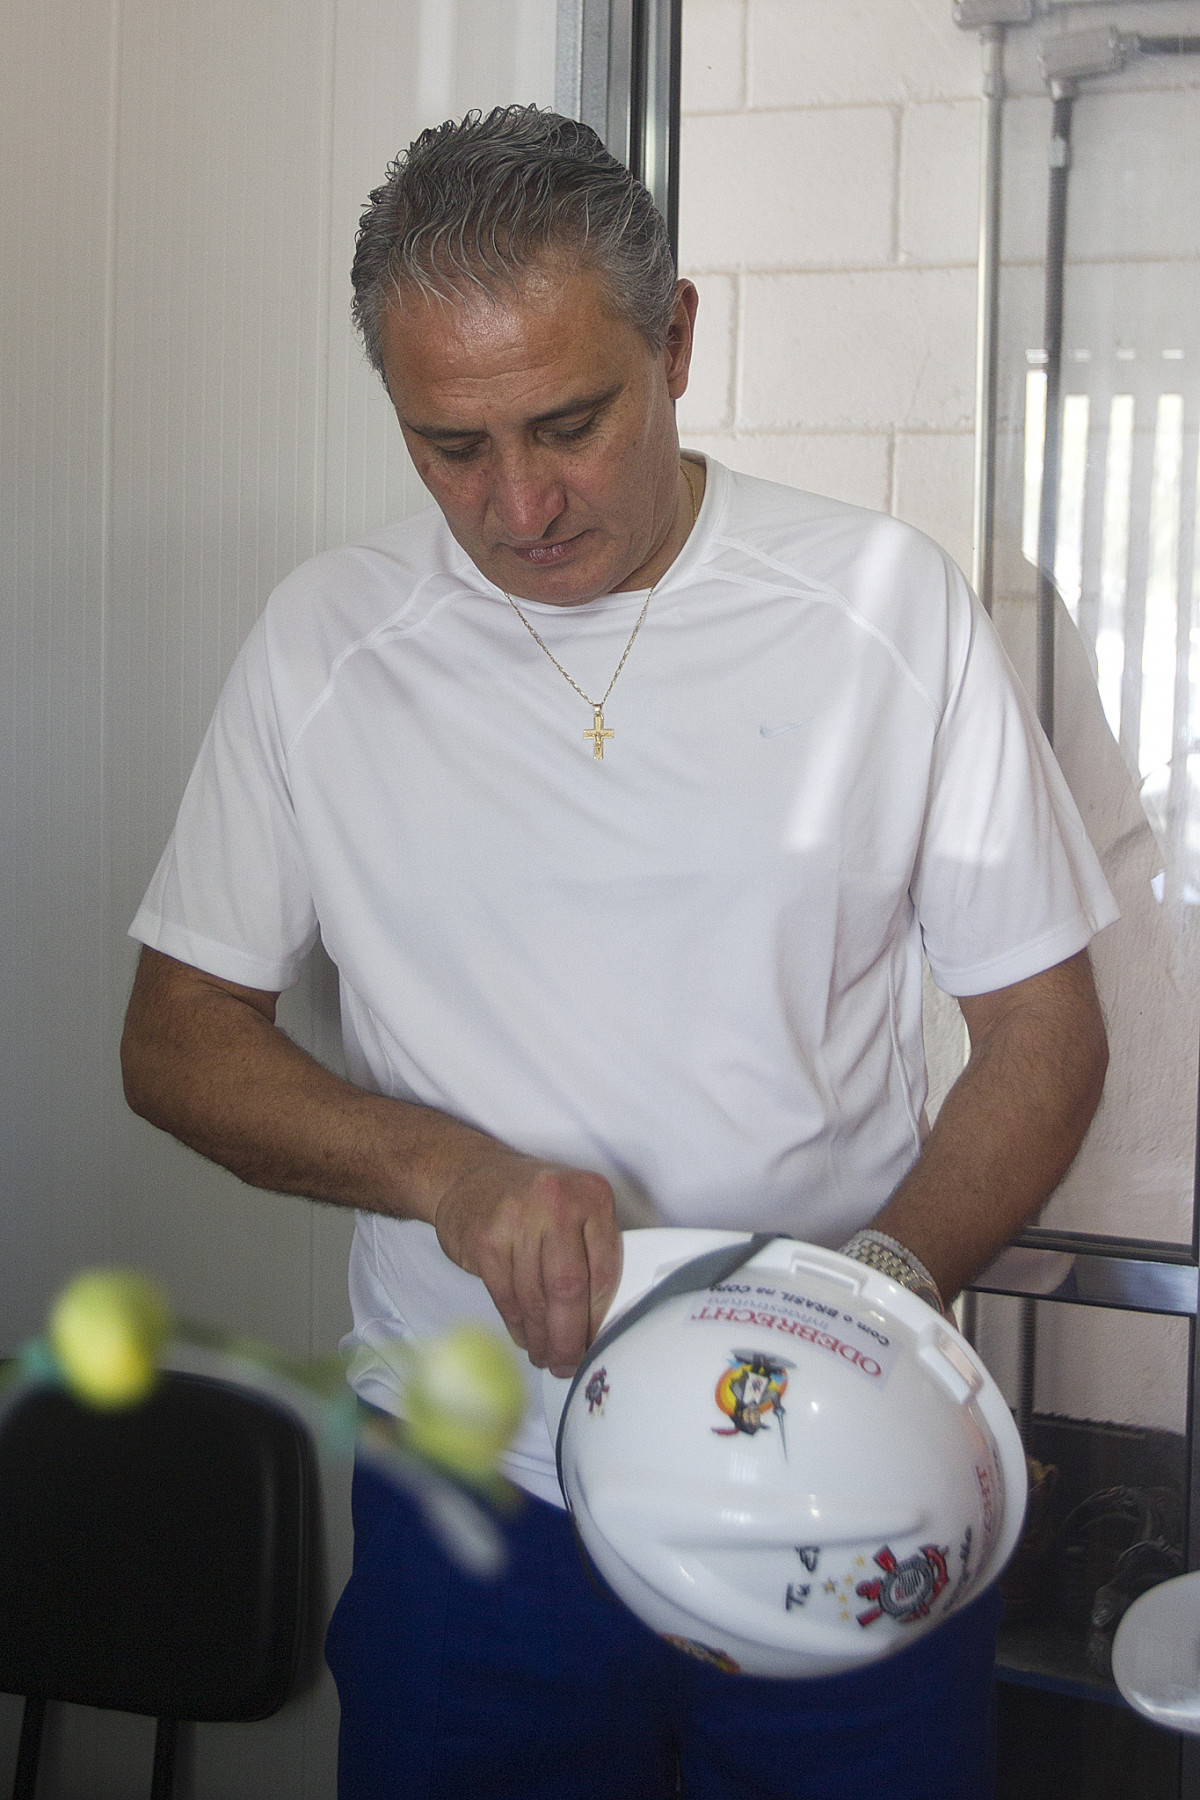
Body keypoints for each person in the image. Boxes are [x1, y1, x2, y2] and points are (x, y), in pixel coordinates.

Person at [120, 106, 1115, 1799]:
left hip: (840, 1476)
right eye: (449, 447)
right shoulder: (325, 645)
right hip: (480, 1502)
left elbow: (1041, 1030)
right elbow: (176, 1036)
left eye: (568, 423)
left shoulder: (883, 605)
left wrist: (869, 1299)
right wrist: (446, 1170)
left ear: (677, 338)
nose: (516, 505)